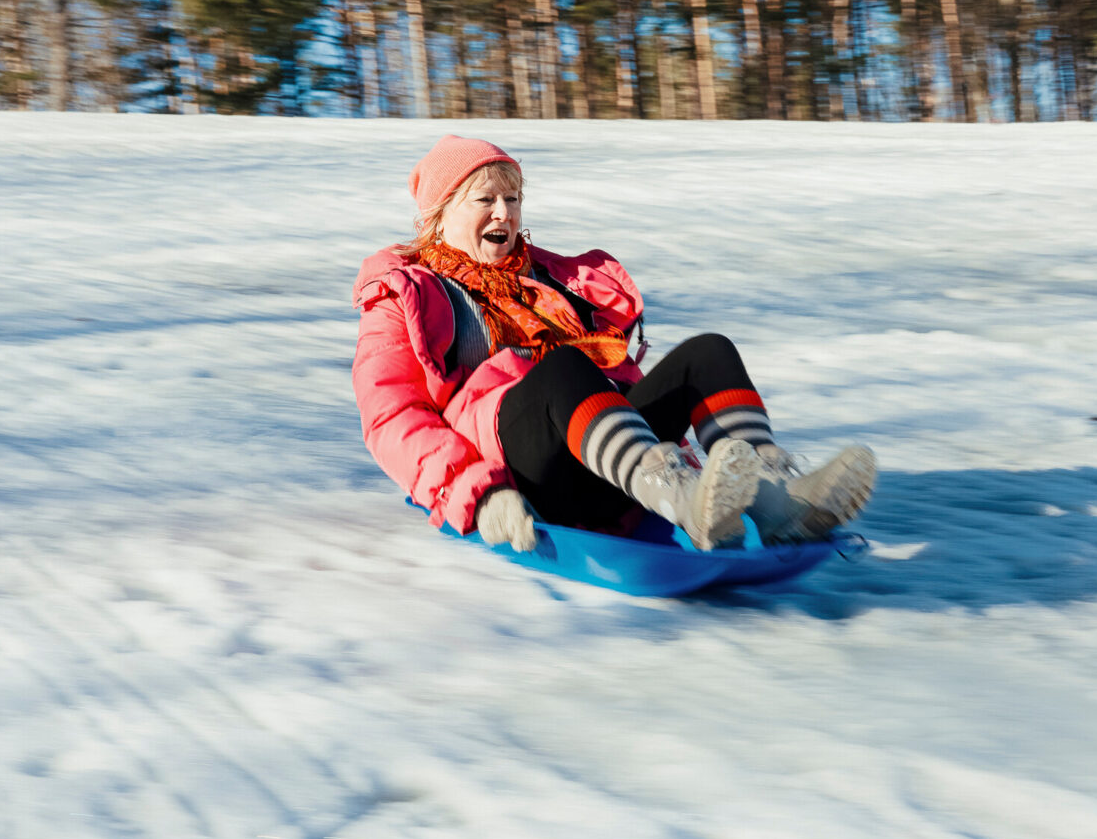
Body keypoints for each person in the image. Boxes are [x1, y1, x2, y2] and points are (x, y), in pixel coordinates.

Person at [352, 135, 876, 554]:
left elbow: (617, 377)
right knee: (560, 367)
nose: (504, 214)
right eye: (484, 199)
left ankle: (775, 501)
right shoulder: (408, 293)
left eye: (512, 199)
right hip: (525, 472)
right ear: (439, 215)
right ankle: (680, 498)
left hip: (606, 454)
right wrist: (477, 494)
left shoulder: (547, 282)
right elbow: (391, 417)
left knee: (707, 353)